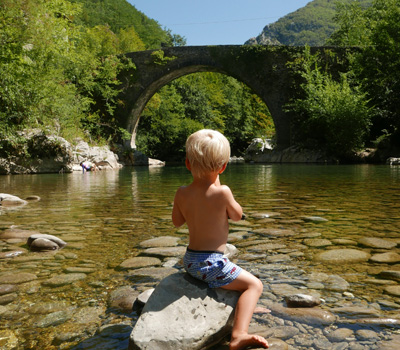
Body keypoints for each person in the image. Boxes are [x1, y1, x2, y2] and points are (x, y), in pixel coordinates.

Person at [172, 129, 269, 350]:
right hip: (211, 263)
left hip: (190, 261)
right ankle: (238, 335)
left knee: (236, 277)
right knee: (254, 285)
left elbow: (177, 221)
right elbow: (236, 215)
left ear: (188, 164)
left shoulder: (181, 192)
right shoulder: (223, 192)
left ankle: (238, 306)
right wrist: (220, 189)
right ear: (223, 167)